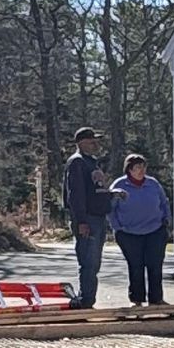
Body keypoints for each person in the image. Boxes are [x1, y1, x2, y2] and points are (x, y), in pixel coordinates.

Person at [109, 152, 171, 307]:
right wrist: (117, 228)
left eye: (143, 167)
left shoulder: (153, 184)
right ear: (129, 170)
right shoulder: (119, 186)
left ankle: (156, 299)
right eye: (137, 167)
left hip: (155, 230)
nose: (141, 170)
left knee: (155, 265)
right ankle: (137, 300)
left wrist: (166, 220)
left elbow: (164, 202)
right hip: (129, 233)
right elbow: (110, 209)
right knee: (136, 266)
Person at [63, 126, 113, 307]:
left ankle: (88, 299)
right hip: (87, 219)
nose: (96, 144)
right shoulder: (77, 163)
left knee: (95, 263)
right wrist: (81, 221)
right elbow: (75, 195)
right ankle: (85, 301)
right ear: (81, 142)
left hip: (98, 218)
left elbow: (95, 191)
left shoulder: (92, 162)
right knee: (88, 262)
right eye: (92, 140)